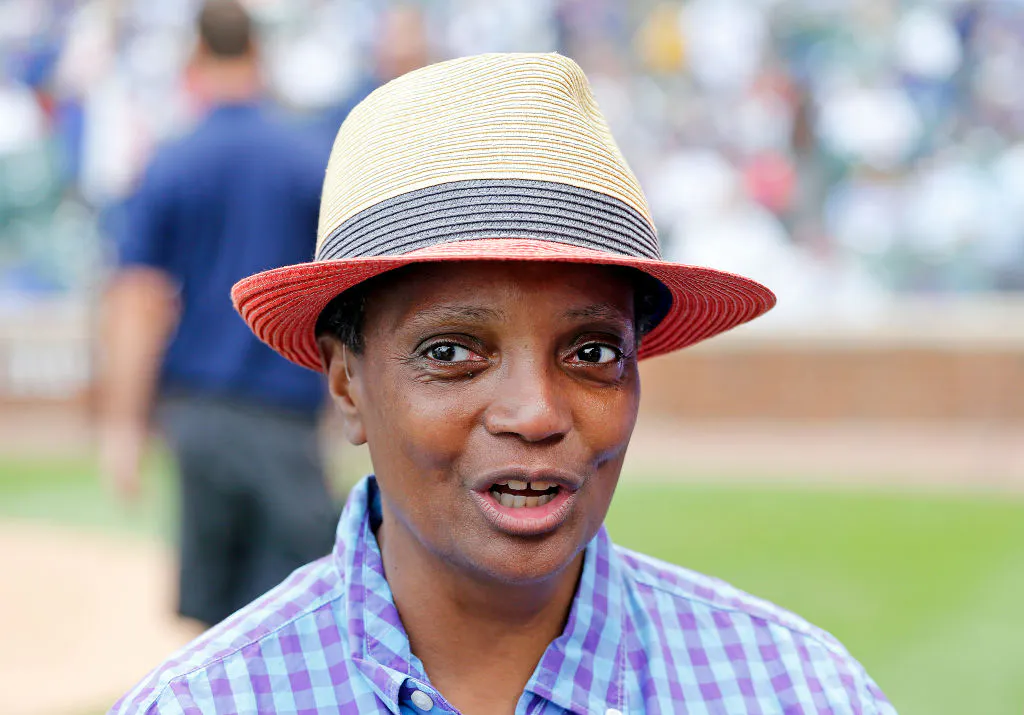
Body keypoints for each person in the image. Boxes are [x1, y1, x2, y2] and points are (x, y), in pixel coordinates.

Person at [111, 53, 896, 714]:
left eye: (593, 352)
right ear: (346, 382)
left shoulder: (797, 690)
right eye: (452, 351)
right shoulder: (209, 701)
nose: (536, 412)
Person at [99, 0, 337, 629]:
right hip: (285, 408)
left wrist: (123, 427)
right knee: (302, 607)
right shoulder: (305, 157)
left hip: (199, 412)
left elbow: (139, 300)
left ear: (197, 56)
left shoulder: (172, 161)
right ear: (257, 53)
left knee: (216, 623)